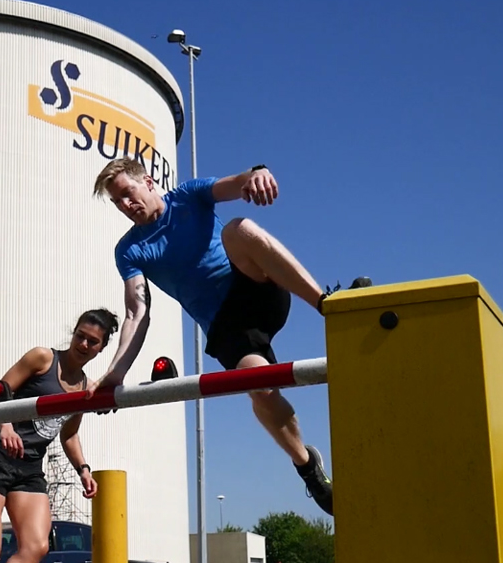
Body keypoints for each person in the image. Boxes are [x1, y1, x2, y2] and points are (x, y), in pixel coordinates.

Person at [86, 158, 370, 516]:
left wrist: (257, 174)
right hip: (227, 326)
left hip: (254, 287)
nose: (126, 206)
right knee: (262, 390)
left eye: (128, 194)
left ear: (149, 181)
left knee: (238, 229)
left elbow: (236, 183)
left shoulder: (188, 196)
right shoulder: (129, 250)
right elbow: (136, 311)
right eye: (117, 203)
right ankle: (307, 467)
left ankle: (328, 306)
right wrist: (116, 374)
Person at [0, 309, 118, 563]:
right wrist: (6, 426)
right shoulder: (43, 358)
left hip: (30, 468)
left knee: (37, 547)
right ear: (73, 333)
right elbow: (0, 391)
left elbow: (69, 434)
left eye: (93, 341)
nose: (84, 344)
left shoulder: (85, 388)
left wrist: (83, 469)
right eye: (80, 336)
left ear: (102, 347)